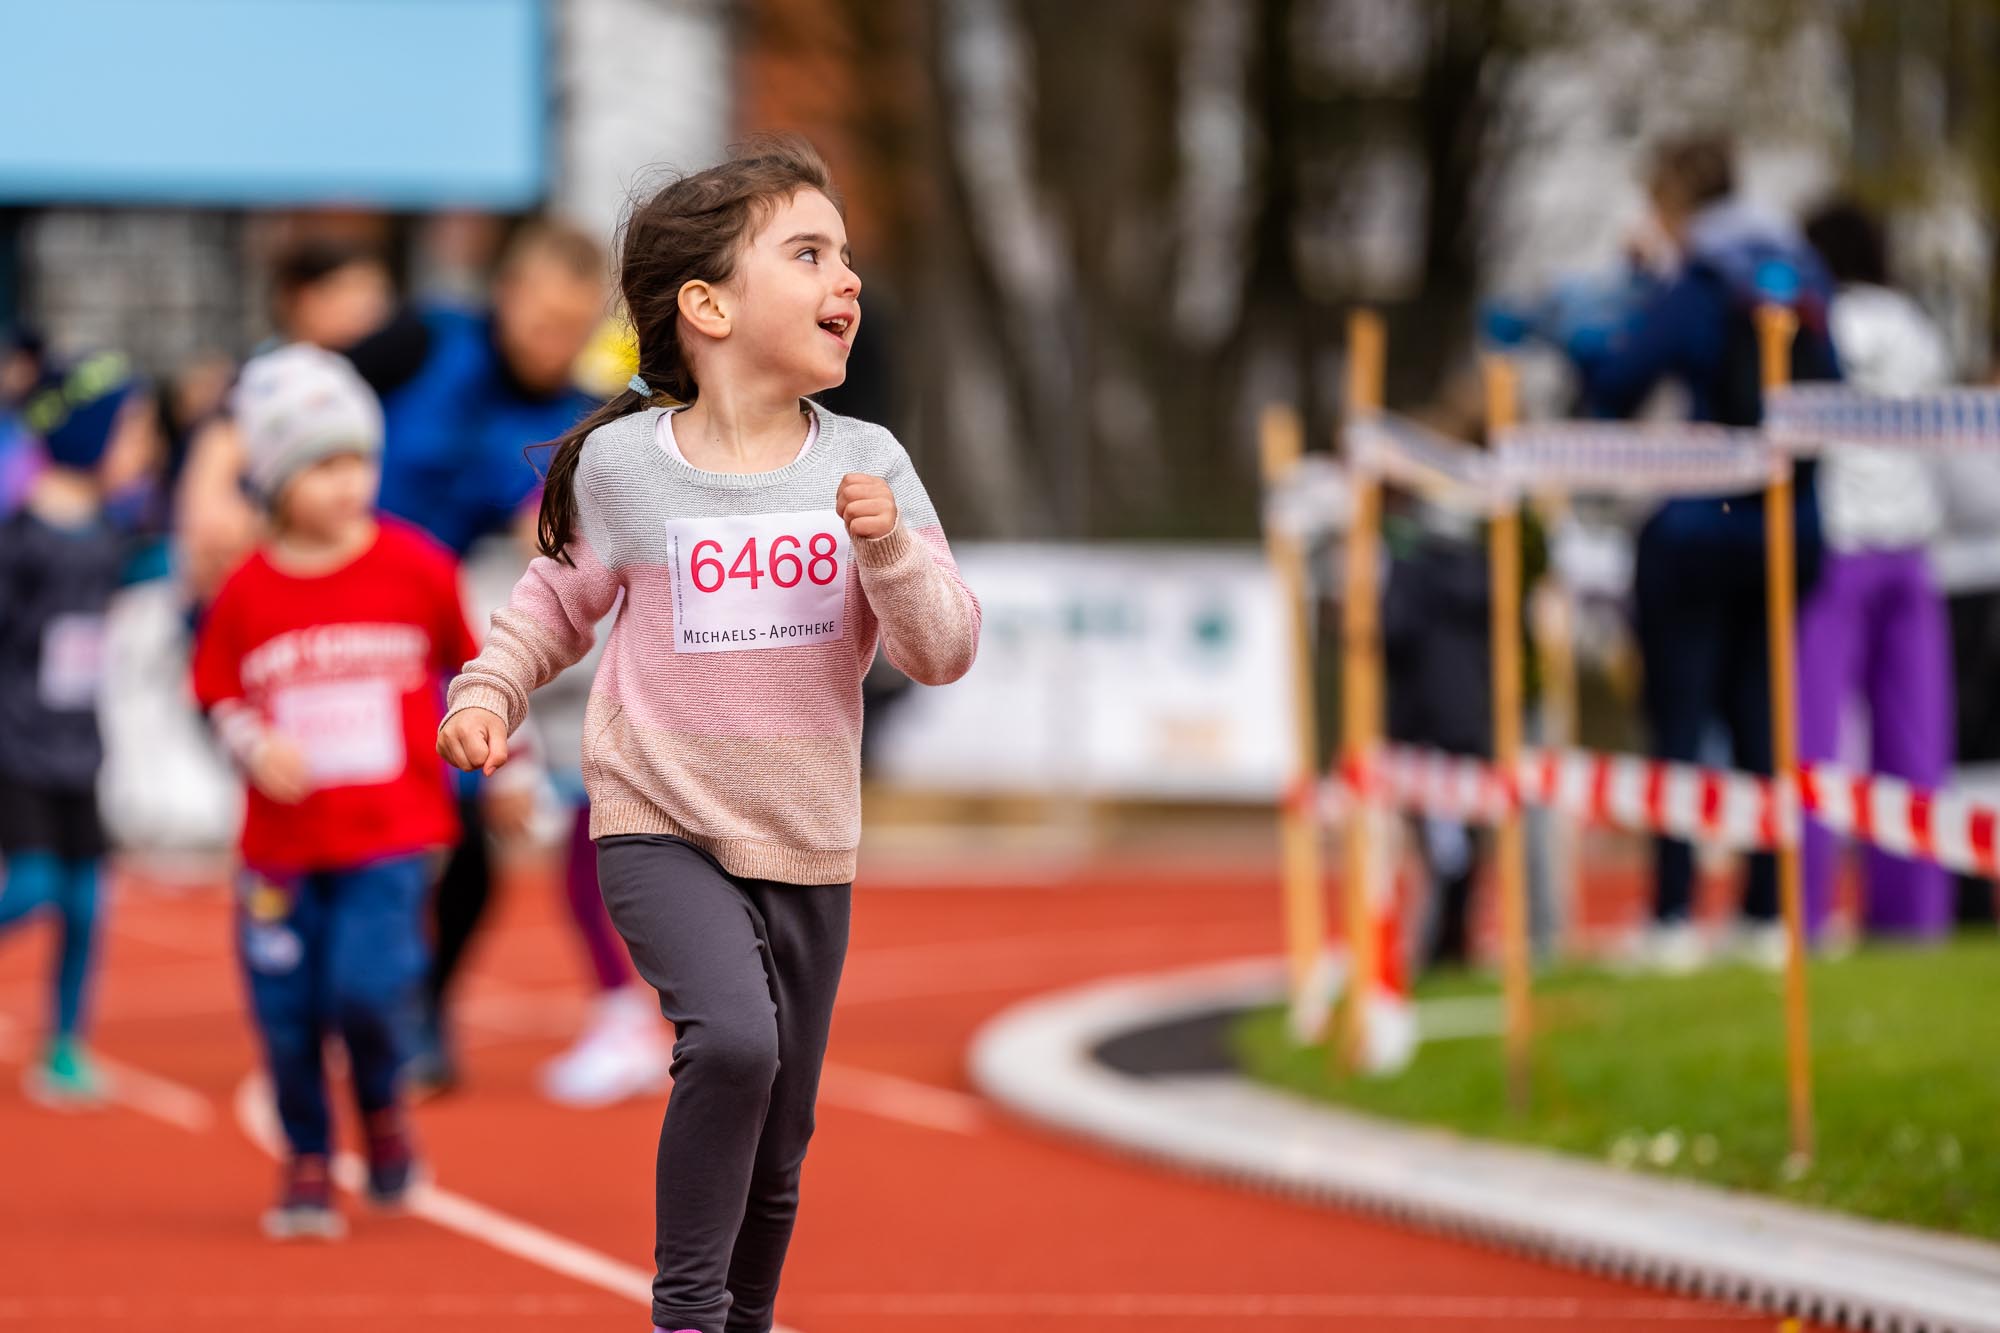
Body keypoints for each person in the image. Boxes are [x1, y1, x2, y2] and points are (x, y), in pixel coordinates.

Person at [437, 135, 980, 1333]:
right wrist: (487, 692)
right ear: (708, 306)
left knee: (779, 1143)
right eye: (808, 253)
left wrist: (888, 548)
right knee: (732, 1041)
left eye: (845, 255)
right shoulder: (622, 467)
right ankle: (683, 1315)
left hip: (807, 838)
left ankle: (740, 1320)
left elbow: (942, 650)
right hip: (657, 821)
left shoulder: (870, 463)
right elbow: (551, 604)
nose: (846, 278)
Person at [191, 345, 477, 1239]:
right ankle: (309, 1156)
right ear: (276, 479)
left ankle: (382, 1108)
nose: (348, 480)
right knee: (287, 1016)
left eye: (357, 458)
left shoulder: (418, 567)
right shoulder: (246, 590)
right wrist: (252, 741)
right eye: (322, 464)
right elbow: (214, 687)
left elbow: (475, 668)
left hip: (391, 836)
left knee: (367, 992)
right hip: (281, 851)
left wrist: (501, 768)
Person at [1571, 134, 1840, 971]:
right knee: (1763, 721)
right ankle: (1767, 913)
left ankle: (1674, 913)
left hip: (1697, 531)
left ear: (1673, 204)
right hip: (1787, 529)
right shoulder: (1800, 272)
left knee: (1679, 723)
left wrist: (1630, 297)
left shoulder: (1696, 279)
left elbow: (1617, 380)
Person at [1797, 200, 1955, 943]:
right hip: (1912, 549)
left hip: (1838, 547)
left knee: (1815, 743)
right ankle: (1914, 917)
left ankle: (1806, 910)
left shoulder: (1817, 321)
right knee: (1915, 745)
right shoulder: (1918, 327)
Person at [0, 351, 155, 1102]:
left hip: (80, 748)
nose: (146, 451)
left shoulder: (111, 536)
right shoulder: (18, 542)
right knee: (34, 885)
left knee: (88, 901)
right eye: (133, 433)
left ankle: (63, 1047)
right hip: (17, 745)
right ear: (90, 436)